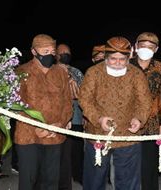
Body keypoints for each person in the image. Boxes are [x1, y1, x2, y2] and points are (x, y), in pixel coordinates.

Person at [79, 36, 152, 190]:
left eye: (122, 59)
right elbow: (85, 100)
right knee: (94, 180)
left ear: (128, 57)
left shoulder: (136, 74)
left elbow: (144, 101)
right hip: (98, 133)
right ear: (106, 57)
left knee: (128, 182)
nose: (118, 63)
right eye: (113, 59)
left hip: (128, 136)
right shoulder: (93, 72)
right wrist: (98, 119)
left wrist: (139, 119)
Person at [15, 34, 72, 190]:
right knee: (29, 180)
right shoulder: (21, 72)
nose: (49, 55)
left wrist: (59, 124)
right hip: (28, 136)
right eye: (44, 51)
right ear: (34, 52)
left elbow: (68, 103)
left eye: (52, 51)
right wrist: (37, 128)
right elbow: (16, 105)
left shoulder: (60, 73)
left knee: (51, 181)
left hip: (55, 135)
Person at [130, 32, 161, 190]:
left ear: (156, 49)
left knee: (149, 165)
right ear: (136, 46)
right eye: (142, 46)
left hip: (152, 123)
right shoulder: (126, 65)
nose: (145, 49)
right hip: (128, 121)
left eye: (150, 47)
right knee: (128, 164)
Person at [56, 43, 85, 188]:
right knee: (61, 152)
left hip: (76, 117)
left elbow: (83, 94)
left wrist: (73, 86)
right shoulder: (51, 70)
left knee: (77, 150)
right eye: (62, 52)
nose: (65, 55)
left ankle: (78, 175)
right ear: (56, 54)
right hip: (57, 119)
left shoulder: (76, 72)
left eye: (67, 52)